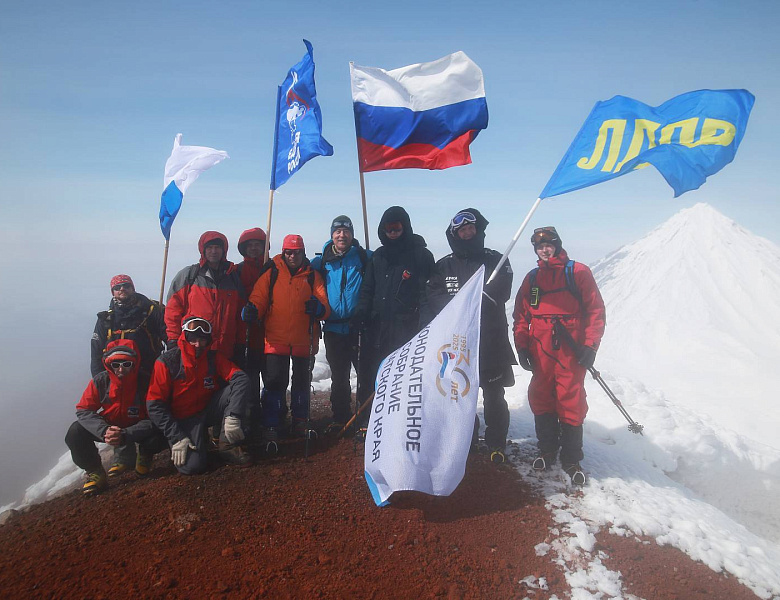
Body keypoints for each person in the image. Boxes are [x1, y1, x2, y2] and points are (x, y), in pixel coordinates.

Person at [512, 227, 606, 485]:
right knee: (541, 397)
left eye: (549, 245)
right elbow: (521, 316)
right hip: (540, 348)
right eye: (540, 247)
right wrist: (521, 346)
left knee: (570, 399)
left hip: (570, 349)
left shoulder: (578, 272)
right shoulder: (532, 278)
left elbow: (596, 311)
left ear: (557, 245)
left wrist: (590, 346)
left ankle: (571, 458)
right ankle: (547, 449)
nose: (545, 249)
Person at [423, 209, 516, 463]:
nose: (466, 233)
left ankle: (496, 442)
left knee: (494, 395)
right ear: (455, 234)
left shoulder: (496, 259)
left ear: (478, 230)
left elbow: (504, 289)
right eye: (461, 230)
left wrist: (485, 298)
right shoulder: (444, 265)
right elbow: (433, 294)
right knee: (462, 395)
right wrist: (459, 304)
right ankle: (468, 439)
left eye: (470, 229)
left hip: (491, 341)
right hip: (459, 344)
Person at [352, 206, 435, 434]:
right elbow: (368, 289)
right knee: (371, 374)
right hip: (376, 329)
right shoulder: (378, 256)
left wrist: (425, 325)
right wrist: (361, 312)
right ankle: (367, 420)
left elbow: (428, 294)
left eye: (397, 227)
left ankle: (399, 424)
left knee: (402, 379)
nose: (392, 232)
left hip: (406, 331)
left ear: (405, 227)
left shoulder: (420, 255)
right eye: (388, 228)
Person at [245, 234, 330, 444]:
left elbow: (325, 305)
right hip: (276, 339)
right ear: (283, 253)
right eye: (289, 252)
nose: (293, 256)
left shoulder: (312, 275)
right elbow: (259, 297)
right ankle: (272, 423)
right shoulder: (272, 272)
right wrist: (253, 310)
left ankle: (300, 420)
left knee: (301, 382)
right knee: (275, 382)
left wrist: (319, 308)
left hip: (304, 339)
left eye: (297, 252)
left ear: (303, 252)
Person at [146, 316, 252, 473]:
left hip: (206, 410)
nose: (198, 344)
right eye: (193, 339)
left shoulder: (212, 357)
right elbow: (154, 405)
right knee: (192, 467)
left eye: (202, 339)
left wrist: (233, 416)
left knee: (236, 389)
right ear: (185, 337)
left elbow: (239, 377)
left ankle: (227, 445)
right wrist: (176, 436)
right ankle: (185, 441)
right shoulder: (167, 362)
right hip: (181, 420)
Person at [66, 340, 166, 496]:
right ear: (108, 364)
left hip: (137, 426)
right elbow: (84, 410)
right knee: (75, 432)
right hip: (110, 426)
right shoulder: (101, 381)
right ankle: (95, 472)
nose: (121, 369)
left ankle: (145, 455)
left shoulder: (146, 381)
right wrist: (104, 431)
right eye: (116, 364)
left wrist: (127, 434)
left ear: (134, 363)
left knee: (159, 434)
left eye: (126, 364)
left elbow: (155, 416)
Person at [310, 216, 372, 432]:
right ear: (332, 235)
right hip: (334, 328)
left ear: (352, 234)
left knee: (365, 374)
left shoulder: (364, 258)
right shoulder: (321, 262)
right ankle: (340, 417)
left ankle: (366, 418)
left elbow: (387, 263)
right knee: (339, 376)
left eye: (346, 231)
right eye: (338, 231)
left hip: (359, 328)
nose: (342, 235)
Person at [165, 231, 245, 359]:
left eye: (217, 247)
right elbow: (172, 309)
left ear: (224, 250)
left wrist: (241, 342)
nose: (214, 251)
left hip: (225, 349)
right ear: (203, 250)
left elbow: (240, 315)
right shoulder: (190, 275)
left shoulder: (233, 277)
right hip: (195, 347)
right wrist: (173, 339)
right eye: (209, 247)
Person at [91, 274, 166, 377]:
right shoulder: (106, 319)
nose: (122, 289)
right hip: (115, 375)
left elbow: (169, 337)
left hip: (148, 374)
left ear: (133, 288)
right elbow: (96, 352)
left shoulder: (151, 311)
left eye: (126, 286)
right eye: (117, 287)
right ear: (112, 292)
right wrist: (99, 380)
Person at [235, 227, 269, 435]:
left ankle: (272, 417)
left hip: (271, 332)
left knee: (273, 377)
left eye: (258, 244)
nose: (254, 248)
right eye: (250, 245)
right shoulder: (237, 271)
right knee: (250, 378)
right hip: (247, 333)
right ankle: (251, 418)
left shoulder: (272, 267)